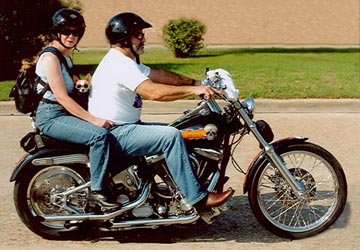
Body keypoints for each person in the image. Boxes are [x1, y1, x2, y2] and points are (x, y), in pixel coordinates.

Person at [88, 12, 234, 210]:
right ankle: (198, 198)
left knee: (182, 130)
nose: (143, 39)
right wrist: (193, 90)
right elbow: (154, 92)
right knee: (170, 136)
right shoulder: (119, 64)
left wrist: (197, 82)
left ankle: (168, 191)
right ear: (124, 39)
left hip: (126, 127)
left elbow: (160, 75)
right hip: (117, 131)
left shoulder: (128, 62)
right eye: (138, 35)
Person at [34, 8, 119, 210]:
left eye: (76, 32)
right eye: (66, 31)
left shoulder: (65, 56)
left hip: (61, 114)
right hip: (51, 117)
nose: (71, 36)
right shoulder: (50, 58)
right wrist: (93, 120)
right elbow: (62, 97)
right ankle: (98, 191)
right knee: (98, 135)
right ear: (56, 32)